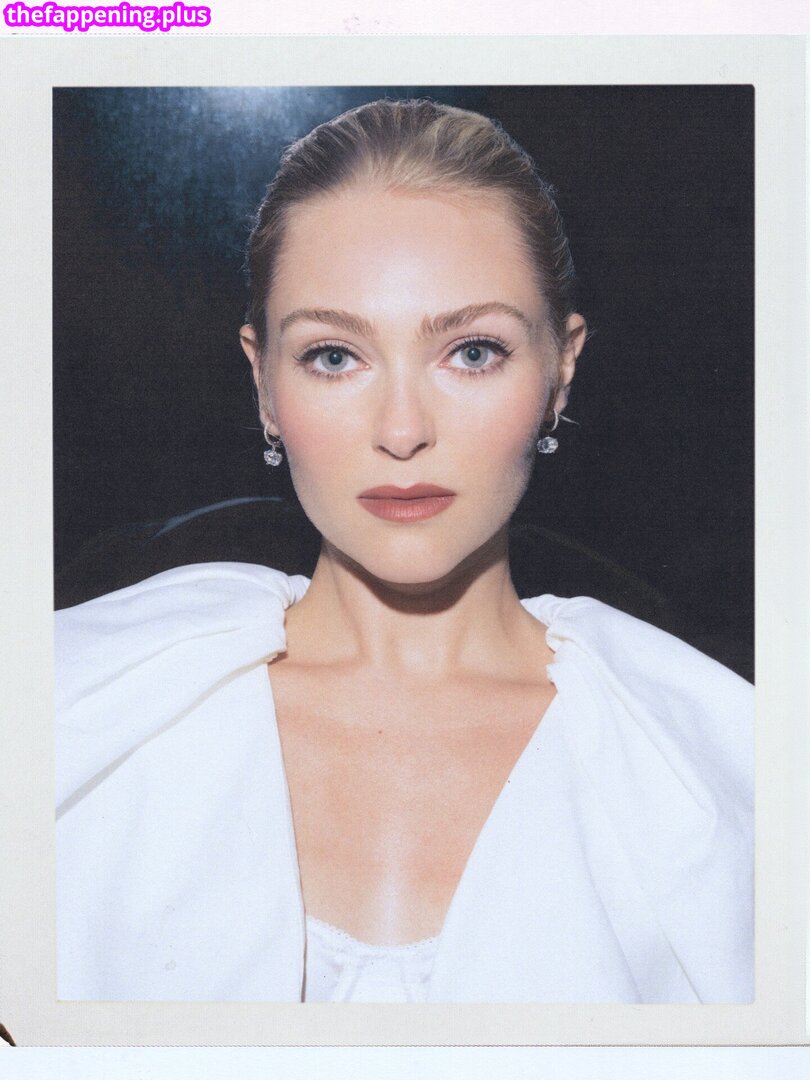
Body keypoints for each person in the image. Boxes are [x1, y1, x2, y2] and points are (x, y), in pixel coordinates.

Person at [55, 98, 753, 1004]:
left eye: (473, 352)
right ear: (263, 381)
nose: (401, 430)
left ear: (561, 368)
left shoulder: (713, 772)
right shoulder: (84, 712)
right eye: (334, 356)